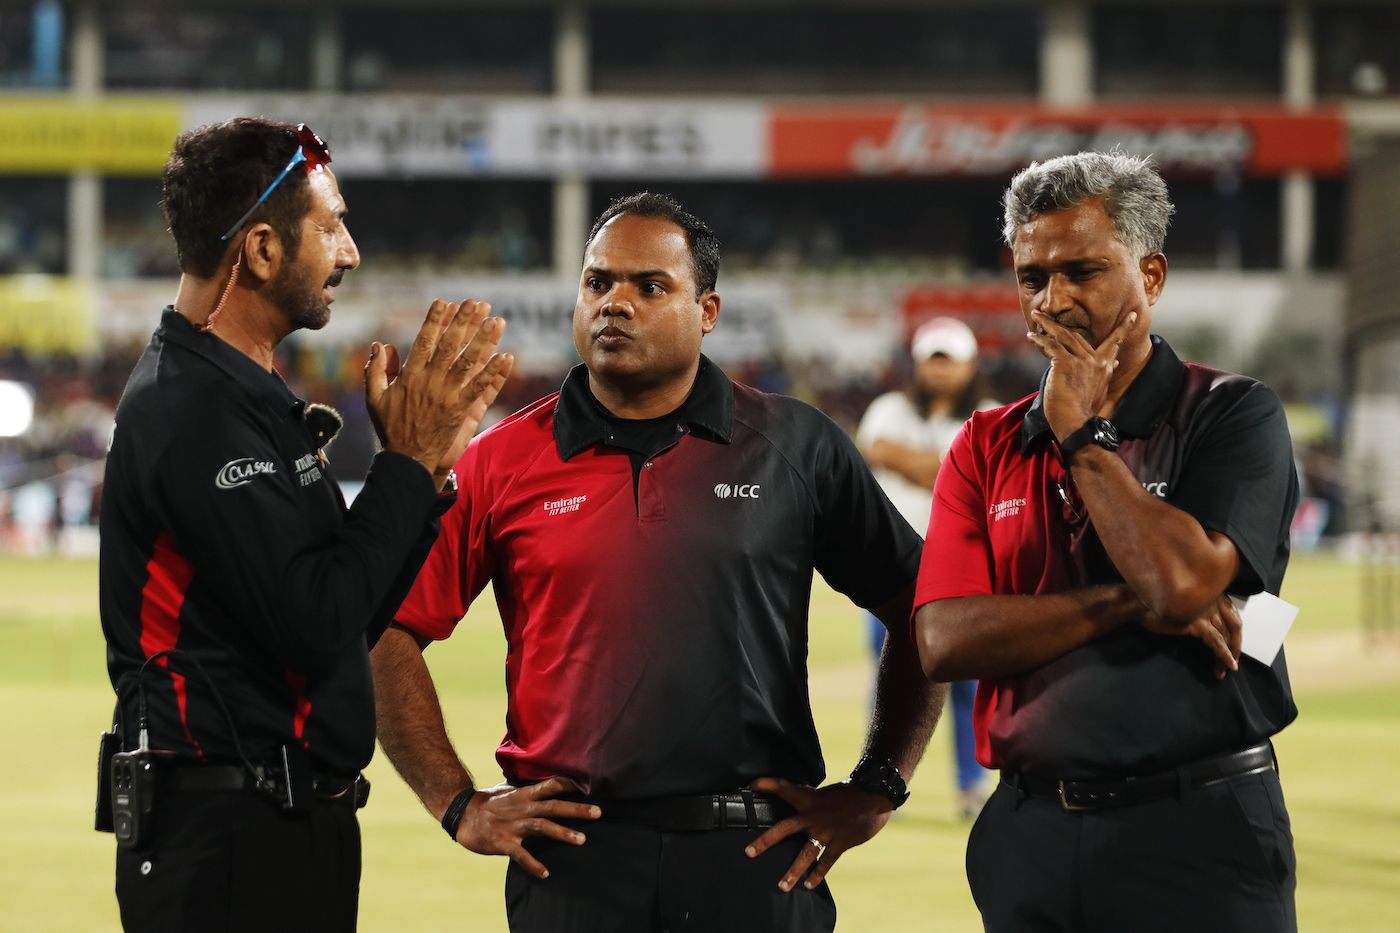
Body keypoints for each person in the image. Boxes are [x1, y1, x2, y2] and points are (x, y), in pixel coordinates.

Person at [370, 191, 946, 933]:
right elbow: (385, 627)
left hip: (757, 856)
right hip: (572, 863)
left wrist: (880, 782)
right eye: (598, 281)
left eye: (650, 286)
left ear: (707, 310)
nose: (615, 303)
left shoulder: (795, 444)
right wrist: (457, 802)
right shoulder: (502, 460)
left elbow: (922, 603)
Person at [98, 117, 513, 932]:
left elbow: (349, 611)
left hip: (276, 828)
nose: (349, 252)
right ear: (259, 249)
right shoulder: (190, 411)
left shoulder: (241, 393)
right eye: (331, 226)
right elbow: (316, 618)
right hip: (223, 843)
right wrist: (403, 467)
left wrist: (421, 474)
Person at [913, 150, 1300, 933]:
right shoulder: (984, 442)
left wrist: (1083, 439)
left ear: (1150, 276)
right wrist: (1129, 601)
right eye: (1032, 278)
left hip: (1201, 827)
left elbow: (1183, 584)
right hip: (1033, 832)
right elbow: (943, 639)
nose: (1052, 301)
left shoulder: (1232, 414)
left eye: (1081, 272)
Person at [857, 316, 994, 819]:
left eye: (949, 361)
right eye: (932, 361)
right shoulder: (888, 409)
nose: (940, 372)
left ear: (970, 366)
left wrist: (915, 463)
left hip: (963, 574)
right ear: (916, 364)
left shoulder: (990, 415)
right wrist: (947, 468)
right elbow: (879, 451)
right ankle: (878, 782)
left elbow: (899, 457)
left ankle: (971, 786)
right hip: (889, 571)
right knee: (891, 681)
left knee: (967, 685)